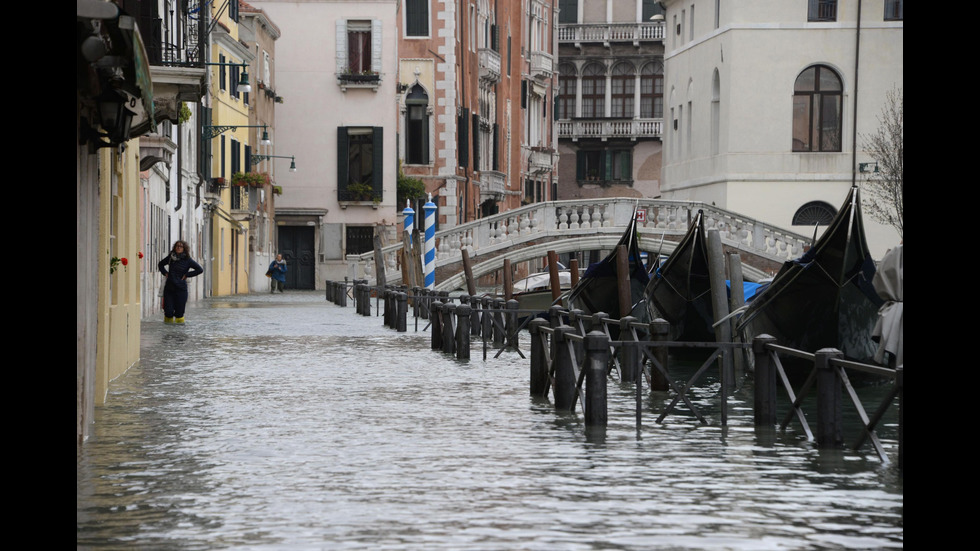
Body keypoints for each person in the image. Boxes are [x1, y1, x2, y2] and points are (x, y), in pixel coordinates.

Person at [158, 240, 204, 324]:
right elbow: (160, 264)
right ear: (175, 248)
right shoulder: (170, 258)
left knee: (179, 313)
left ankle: (179, 334)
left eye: (181, 246)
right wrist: (165, 272)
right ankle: (168, 332)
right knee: (168, 312)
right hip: (169, 288)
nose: (178, 247)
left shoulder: (188, 260)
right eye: (177, 246)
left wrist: (187, 275)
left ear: (184, 249)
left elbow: (200, 270)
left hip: (181, 289)